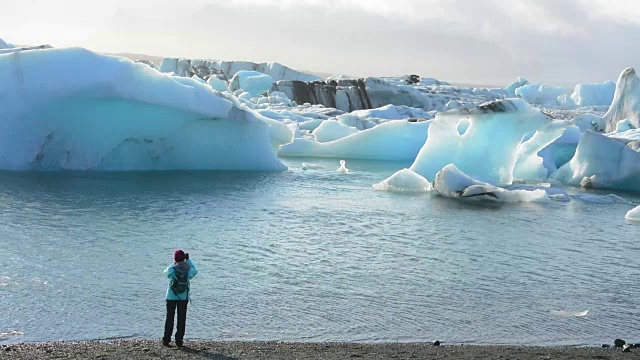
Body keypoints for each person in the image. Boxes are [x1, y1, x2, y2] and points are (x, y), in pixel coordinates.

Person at [163, 249, 197, 347]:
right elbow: (195, 271)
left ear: (175, 259)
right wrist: (188, 261)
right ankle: (179, 340)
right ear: (184, 258)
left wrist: (174, 262)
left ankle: (166, 339)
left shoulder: (172, 269)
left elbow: (165, 272)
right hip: (183, 297)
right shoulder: (188, 269)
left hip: (171, 296)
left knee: (169, 318)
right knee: (181, 319)